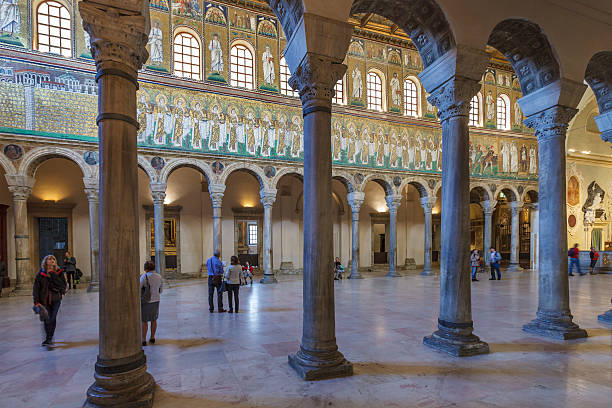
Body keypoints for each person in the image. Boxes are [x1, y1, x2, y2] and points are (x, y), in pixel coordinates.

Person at [33, 255, 67, 346]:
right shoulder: (40, 274)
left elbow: (62, 285)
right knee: (46, 318)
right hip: (44, 300)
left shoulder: (59, 272)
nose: (52, 260)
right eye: (49, 259)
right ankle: (48, 338)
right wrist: (36, 301)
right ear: (45, 262)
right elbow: (36, 289)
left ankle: (50, 337)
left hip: (56, 299)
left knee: (52, 318)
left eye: (53, 259)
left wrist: (53, 273)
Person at [140, 261, 163, 346]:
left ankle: (143, 339)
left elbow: (138, 288)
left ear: (146, 268)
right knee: (154, 319)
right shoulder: (159, 276)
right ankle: (152, 337)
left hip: (146, 301)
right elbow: (161, 290)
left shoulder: (144, 277)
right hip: (156, 300)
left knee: (144, 321)